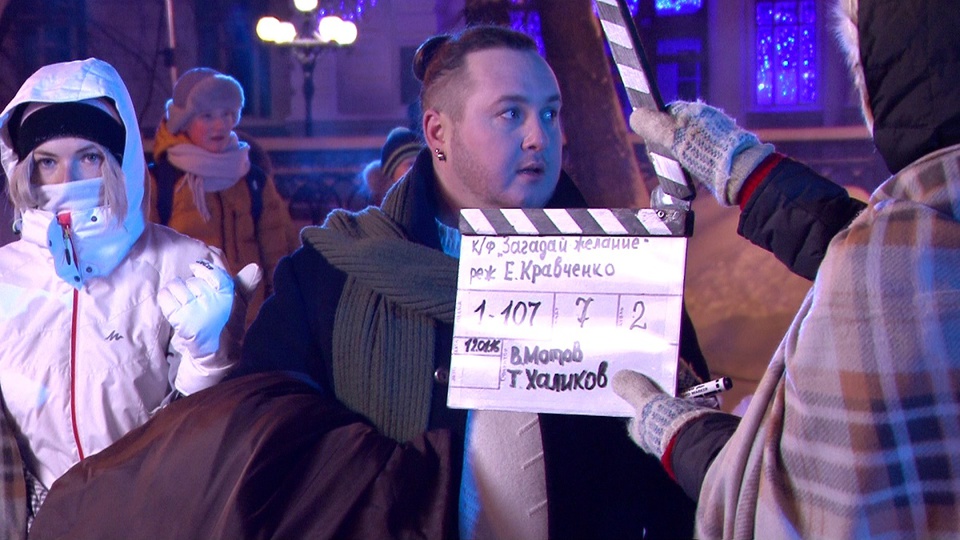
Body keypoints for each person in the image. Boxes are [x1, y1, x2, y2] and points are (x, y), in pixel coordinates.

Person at [233, 25, 701, 539]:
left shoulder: (628, 276)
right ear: (438, 133)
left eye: (550, 113)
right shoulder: (330, 274)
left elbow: (684, 483)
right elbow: (262, 442)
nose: (539, 137)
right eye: (510, 113)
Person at [612, 0, 960, 537]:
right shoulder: (907, 248)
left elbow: (783, 510)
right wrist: (748, 172)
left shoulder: (877, 264)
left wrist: (682, 434)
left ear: (876, 89)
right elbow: (913, 261)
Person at [0, 58, 257, 533]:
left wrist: (210, 359)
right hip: (39, 524)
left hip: (151, 518)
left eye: (89, 156)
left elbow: (211, 437)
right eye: (48, 161)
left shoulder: (181, 262)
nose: (67, 178)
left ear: (120, 160)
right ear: (24, 170)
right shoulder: (4, 278)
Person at [149, 67, 298, 328]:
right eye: (207, 116)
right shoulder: (161, 182)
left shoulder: (253, 179)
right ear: (184, 121)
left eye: (227, 114)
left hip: (252, 326)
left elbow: (279, 256)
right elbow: (147, 265)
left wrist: (282, 316)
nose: (220, 125)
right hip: (190, 327)